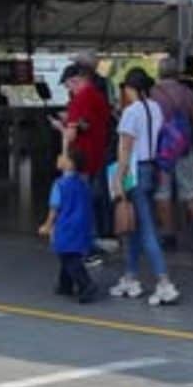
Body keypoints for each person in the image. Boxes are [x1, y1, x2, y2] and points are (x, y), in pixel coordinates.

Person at [108, 68, 180, 306]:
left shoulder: (131, 112)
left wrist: (118, 179)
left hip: (134, 171)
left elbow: (125, 148)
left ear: (133, 88)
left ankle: (164, 281)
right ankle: (130, 276)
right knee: (136, 227)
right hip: (152, 169)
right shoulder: (155, 108)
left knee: (146, 227)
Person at [58, 58, 116, 258]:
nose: (69, 90)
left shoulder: (79, 100)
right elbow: (95, 122)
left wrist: (63, 127)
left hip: (80, 159)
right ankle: (93, 240)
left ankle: (84, 246)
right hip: (97, 155)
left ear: (76, 80)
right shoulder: (98, 96)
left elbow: (72, 134)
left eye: (68, 85)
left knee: (78, 203)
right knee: (91, 200)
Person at [152, 54, 193, 246]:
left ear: (159, 72)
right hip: (184, 147)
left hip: (161, 150)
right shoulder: (187, 92)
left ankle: (168, 235)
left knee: (162, 192)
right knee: (190, 190)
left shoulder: (152, 93)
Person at [38, 150, 99, 303]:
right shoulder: (83, 183)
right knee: (69, 253)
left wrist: (47, 225)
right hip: (82, 224)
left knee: (69, 257)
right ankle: (65, 284)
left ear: (70, 164)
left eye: (62, 156)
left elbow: (54, 208)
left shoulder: (59, 184)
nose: (58, 158)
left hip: (66, 225)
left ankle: (86, 284)